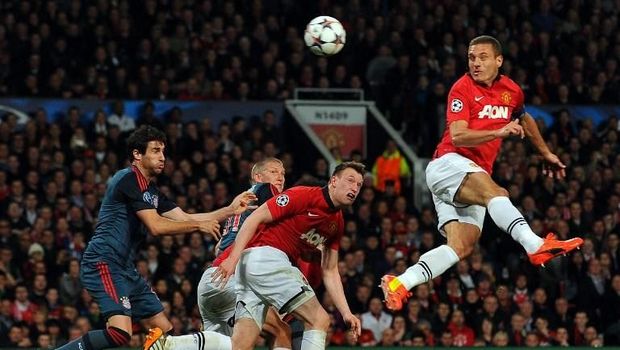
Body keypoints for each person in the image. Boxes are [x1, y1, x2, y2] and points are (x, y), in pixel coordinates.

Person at [380, 35, 584, 311]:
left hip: (468, 177)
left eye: (482, 57)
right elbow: (459, 136)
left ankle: (401, 282)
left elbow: (524, 118)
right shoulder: (461, 88)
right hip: (448, 164)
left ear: (498, 60)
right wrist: (499, 131)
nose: (476, 63)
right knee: (496, 193)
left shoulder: (511, 90)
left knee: (460, 247)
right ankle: (534, 244)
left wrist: (545, 153)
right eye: (471, 57)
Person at [56, 125, 256, 350]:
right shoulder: (127, 179)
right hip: (103, 262)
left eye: (163, 151)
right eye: (155, 151)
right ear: (137, 154)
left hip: (124, 267)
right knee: (121, 333)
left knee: (164, 333)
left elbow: (183, 217)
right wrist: (199, 226)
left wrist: (230, 209)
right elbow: (156, 226)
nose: (162, 157)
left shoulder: (150, 191)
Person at [146, 161, 365, 350]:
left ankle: (169, 345)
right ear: (333, 180)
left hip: (238, 272)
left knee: (240, 345)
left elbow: (330, 269)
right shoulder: (300, 195)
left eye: (359, 184)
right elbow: (254, 218)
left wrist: (346, 313)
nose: (354, 187)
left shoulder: (336, 223)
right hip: (264, 260)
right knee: (318, 319)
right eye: (350, 180)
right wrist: (231, 259)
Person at [145, 158, 292, 350]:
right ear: (258, 177)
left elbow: (219, 247)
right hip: (235, 278)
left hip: (212, 278)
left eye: (283, 173)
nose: (280, 177)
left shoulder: (241, 204)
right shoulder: (264, 191)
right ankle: (168, 344)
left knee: (229, 346)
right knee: (281, 332)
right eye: (274, 172)